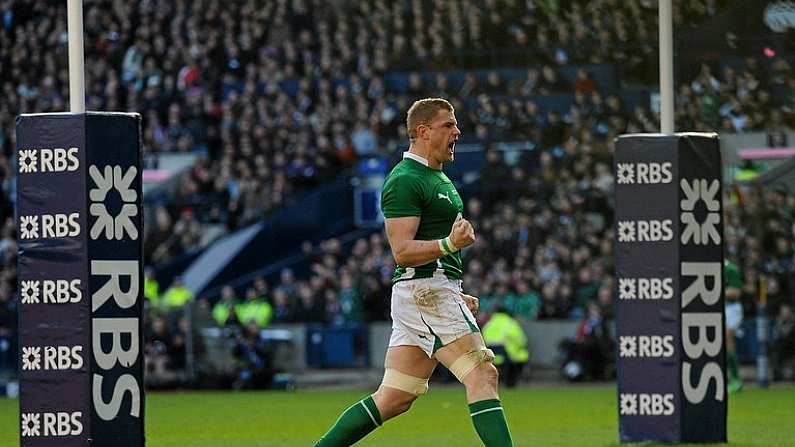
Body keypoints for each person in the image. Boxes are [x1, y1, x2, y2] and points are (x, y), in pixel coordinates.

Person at [312, 98, 514, 446]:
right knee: (482, 373)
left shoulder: (436, 177)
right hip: (425, 292)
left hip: (429, 290)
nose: (457, 132)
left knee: (394, 397)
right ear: (423, 131)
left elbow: (429, 254)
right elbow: (402, 251)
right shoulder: (405, 179)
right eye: (448, 125)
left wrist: (453, 287)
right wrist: (449, 246)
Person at [482, 306, 530, 387]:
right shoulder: (511, 323)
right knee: (522, 355)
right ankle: (511, 382)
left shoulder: (489, 324)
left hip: (490, 355)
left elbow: (482, 338)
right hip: (508, 355)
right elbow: (521, 340)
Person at [724, 259, 744, 393]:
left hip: (731, 309)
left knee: (728, 340)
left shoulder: (731, 269)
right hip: (719, 308)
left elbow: (736, 292)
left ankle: (736, 379)